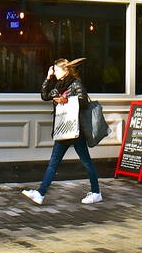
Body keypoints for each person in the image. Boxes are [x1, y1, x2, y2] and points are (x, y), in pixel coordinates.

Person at [22, 58, 102, 206]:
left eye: (56, 70)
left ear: (65, 71)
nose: (55, 73)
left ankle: (96, 192)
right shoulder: (58, 86)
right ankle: (40, 193)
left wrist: (65, 100)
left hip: (75, 129)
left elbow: (84, 102)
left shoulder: (76, 84)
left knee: (85, 162)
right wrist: (48, 77)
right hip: (63, 129)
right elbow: (45, 95)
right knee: (54, 162)